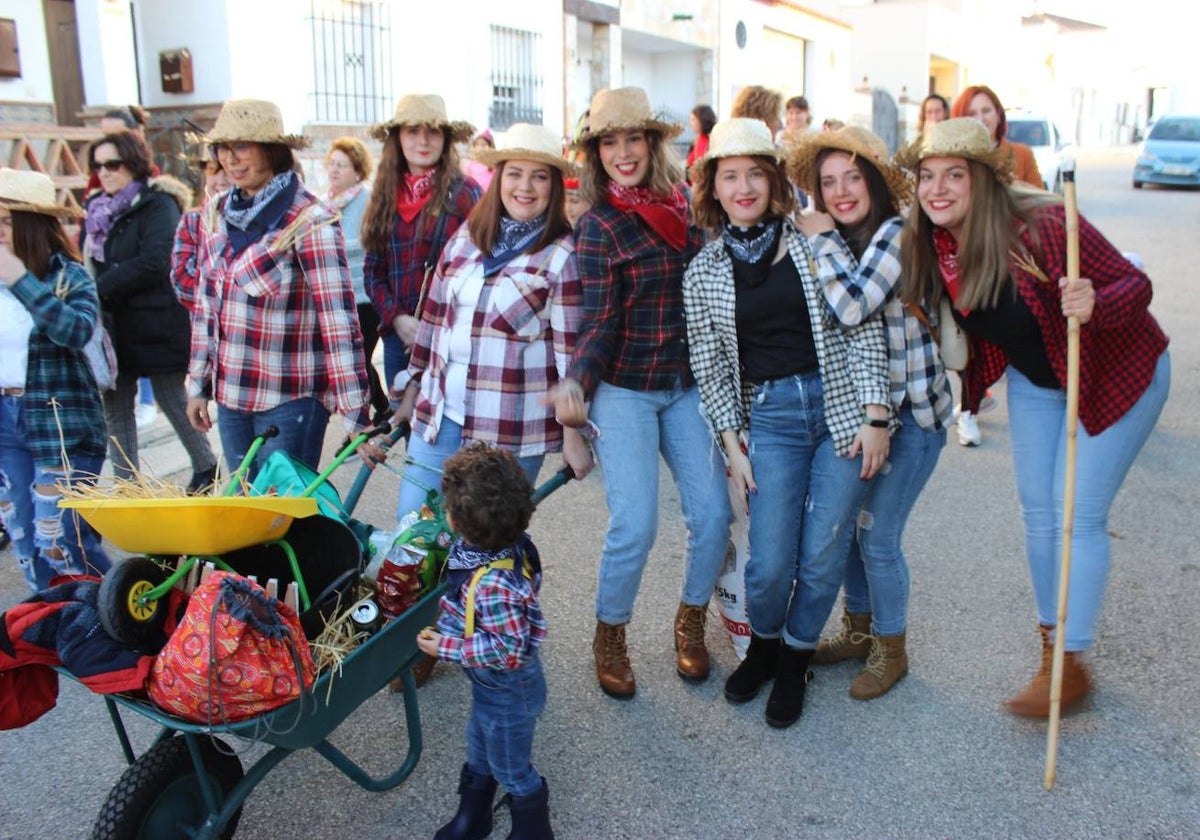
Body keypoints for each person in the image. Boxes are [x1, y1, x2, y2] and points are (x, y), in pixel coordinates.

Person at [896, 118, 1170, 716]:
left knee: (1078, 513)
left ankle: (1071, 662)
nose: (937, 189)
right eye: (927, 177)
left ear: (984, 182)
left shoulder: (1043, 226)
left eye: (954, 176)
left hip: (1116, 370)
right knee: (1039, 513)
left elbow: (1135, 282)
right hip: (1040, 378)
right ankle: (1056, 653)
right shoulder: (930, 245)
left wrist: (1097, 299)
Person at [682, 119, 891, 727]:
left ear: (773, 181)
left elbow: (861, 326)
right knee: (770, 561)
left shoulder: (814, 240)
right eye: (730, 176)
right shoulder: (704, 272)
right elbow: (711, 366)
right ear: (713, 189)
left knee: (823, 552)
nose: (744, 186)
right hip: (769, 418)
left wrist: (876, 416)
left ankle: (797, 656)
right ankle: (766, 642)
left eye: (755, 173)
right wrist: (730, 444)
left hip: (841, 409)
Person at [546, 87, 732, 700]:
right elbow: (600, 321)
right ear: (595, 153)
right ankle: (611, 634)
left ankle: (691, 620)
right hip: (624, 388)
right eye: (609, 142)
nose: (622, 153)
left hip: (685, 387)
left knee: (712, 515)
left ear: (654, 145)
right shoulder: (598, 226)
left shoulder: (687, 209)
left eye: (633, 139)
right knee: (636, 523)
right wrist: (576, 385)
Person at [790, 126, 953, 699]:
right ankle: (858, 630)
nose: (839, 191)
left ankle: (892, 646)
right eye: (827, 182)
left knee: (878, 536)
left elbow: (852, 306)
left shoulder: (895, 233)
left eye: (852, 177)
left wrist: (822, 242)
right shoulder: (852, 238)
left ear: (876, 182)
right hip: (872, 415)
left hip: (914, 421)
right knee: (858, 534)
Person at [391, 123, 593, 521]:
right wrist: (411, 394)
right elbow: (433, 322)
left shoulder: (561, 256)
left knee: (486, 550)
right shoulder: (466, 239)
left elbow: (570, 355)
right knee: (411, 537)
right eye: (515, 174)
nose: (526, 187)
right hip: (439, 416)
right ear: (499, 179)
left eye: (539, 177)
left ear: (553, 187)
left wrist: (574, 435)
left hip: (508, 430)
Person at [185, 99, 376, 477]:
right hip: (232, 396)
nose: (231, 159)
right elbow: (206, 305)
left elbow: (339, 321)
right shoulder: (217, 210)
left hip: (290, 398)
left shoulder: (310, 218)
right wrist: (198, 384)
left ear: (272, 151)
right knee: (243, 514)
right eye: (224, 148)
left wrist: (356, 415)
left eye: (243, 147)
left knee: (281, 518)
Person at [416, 443, 554, 840]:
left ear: (459, 521)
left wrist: (446, 648)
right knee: (479, 745)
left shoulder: (494, 583)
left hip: (509, 689)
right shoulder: (497, 546)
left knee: (511, 765)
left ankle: (533, 828)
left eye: (448, 508)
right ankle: (474, 814)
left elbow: (507, 650)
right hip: (489, 686)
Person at [82, 132, 219, 493]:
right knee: (116, 406)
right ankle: (129, 485)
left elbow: (156, 260)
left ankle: (207, 465)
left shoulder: (159, 203)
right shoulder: (96, 208)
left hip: (156, 318)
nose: (105, 173)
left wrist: (100, 287)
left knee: (171, 397)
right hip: (111, 324)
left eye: (113, 164)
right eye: (98, 166)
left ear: (133, 162)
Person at [0, 169, 111, 592]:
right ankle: (49, 624)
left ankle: (105, 615)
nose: (0, 232)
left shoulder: (69, 277)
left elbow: (76, 331)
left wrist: (20, 280)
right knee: (24, 534)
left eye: (7, 221)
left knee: (62, 539)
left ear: (33, 225)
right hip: (6, 417)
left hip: (61, 421)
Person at [362, 94, 482, 391]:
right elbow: (373, 272)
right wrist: (397, 319)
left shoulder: (467, 194)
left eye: (433, 132)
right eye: (413, 131)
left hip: (453, 341)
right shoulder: (383, 194)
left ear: (446, 139)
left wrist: (434, 326)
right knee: (406, 428)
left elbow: (483, 271)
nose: (423, 141)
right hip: (399, 343)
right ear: (398, 139)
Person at [323, 136, 390, 425]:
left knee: (357, 360)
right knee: (351, 362)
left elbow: (371, 242)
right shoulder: (325, 204)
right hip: (336, 298)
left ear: (358, 171)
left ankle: (363, 424)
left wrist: (331, 243)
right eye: (332, 164)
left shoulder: (368, 200)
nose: (334, 170)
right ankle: (382, 408)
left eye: (343, 165)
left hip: (365, 296)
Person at [171, 147, 231, 318]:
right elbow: (183, 285)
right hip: (208, 336)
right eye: (212, 169)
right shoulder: (193, 220)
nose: (221, 180)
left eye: (227, 169)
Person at [461, 128, 496, 193]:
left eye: (484, 145)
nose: (480, 148)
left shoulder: (493, 166)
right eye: (477, 145)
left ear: (490, 147)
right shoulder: (470, 165)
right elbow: (464, 183)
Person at [685, 104, 717, 171]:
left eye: (693, 119)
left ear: (702, 120)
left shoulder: (713, 139)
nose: (690, 123)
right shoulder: (697, 139)